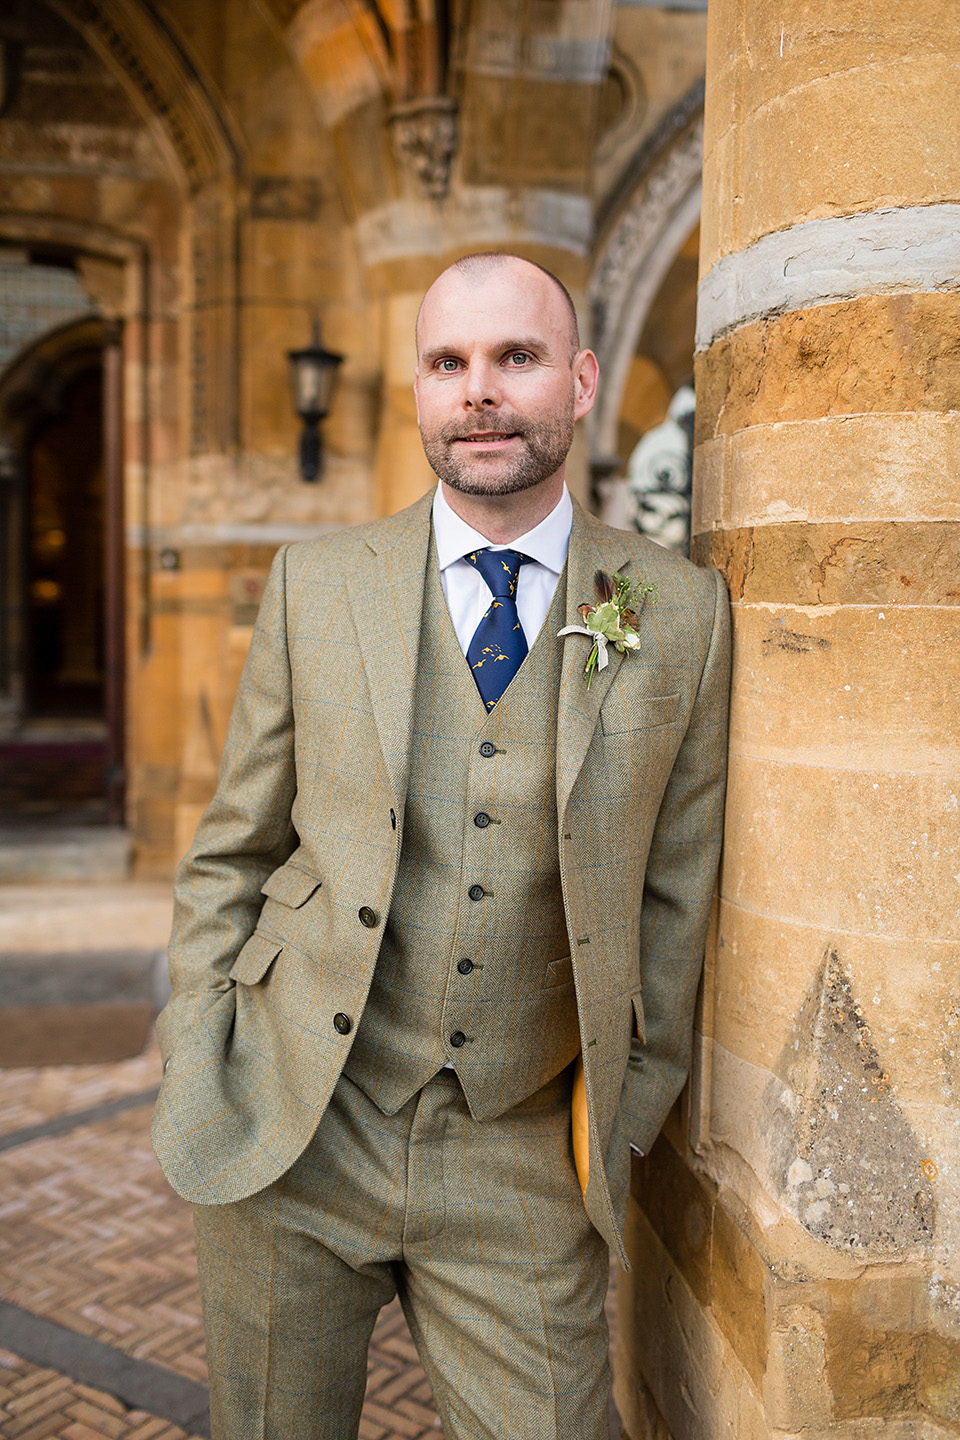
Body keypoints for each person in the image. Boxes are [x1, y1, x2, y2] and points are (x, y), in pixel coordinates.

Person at [151, 252, 731, 1440]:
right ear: (417, 392)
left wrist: (619, 1121)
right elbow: (234, 850)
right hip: (295, 1124)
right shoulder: (316, 587)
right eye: (448, 363)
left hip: (522, 1152)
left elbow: (675, 902)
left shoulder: (679, 613)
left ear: (575, 383)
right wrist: (198, 1047)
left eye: (515, 358)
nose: (479, 391)